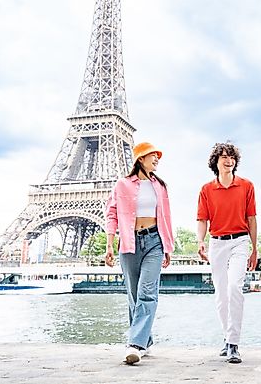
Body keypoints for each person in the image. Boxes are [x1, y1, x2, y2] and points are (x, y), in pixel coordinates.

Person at [105, 142, 174, 365]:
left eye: (157, 157)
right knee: (134, 296)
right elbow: (112, 214)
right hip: (129, 242)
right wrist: (109, 244)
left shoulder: (160, 186)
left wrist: (168, 246)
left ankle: (135, 344)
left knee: (147, 292)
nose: (157, 159)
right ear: (140, 159)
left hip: (154, 241)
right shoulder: (122, 184)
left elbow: (166, 217)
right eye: (152, 156)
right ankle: (146, 339)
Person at [197, 142, 257, 364]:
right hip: (216, 243)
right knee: (221, 295)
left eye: (231, 156)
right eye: (223, 156)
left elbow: (251, 219)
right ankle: (227, 337)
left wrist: (254, 248)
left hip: (240, 241)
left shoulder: (247, 186)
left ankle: (234, 344)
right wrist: (200, 241)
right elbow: (202, 219)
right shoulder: (206, 189)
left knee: (234, 287)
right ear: (216, 162)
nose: (228, 159)